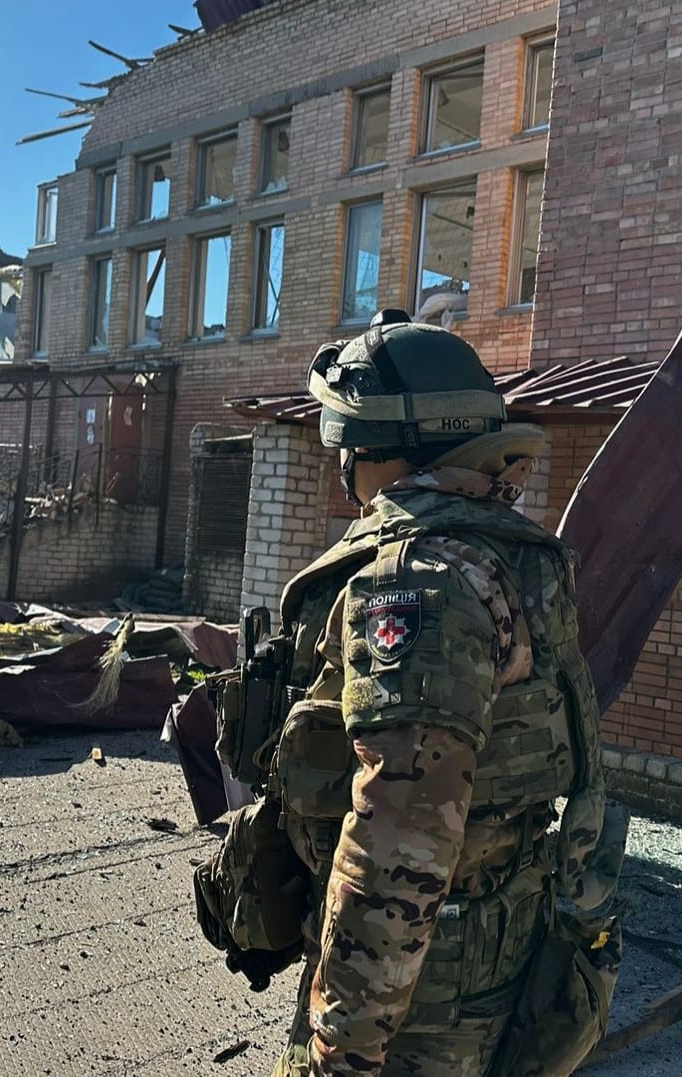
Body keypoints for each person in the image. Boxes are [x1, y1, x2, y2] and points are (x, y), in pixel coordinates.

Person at [197, 310, 626, 1077]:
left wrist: (344, 1049)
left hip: (416, 999)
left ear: (382, 447)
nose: (342, 463)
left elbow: (400, 843)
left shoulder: (414, 582)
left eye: (343, 439)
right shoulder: (497, 550)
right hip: (485, 951)